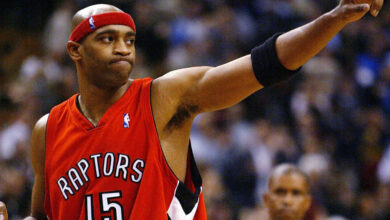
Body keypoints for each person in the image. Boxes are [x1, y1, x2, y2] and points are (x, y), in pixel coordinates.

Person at [0, 0, 384, 219]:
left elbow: (263, 66)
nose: (124, 49)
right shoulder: (47, 129)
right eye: (107, 39)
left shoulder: (163, 97)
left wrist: (335, 17)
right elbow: (43, 216)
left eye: (130, 39)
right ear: (74, 51)